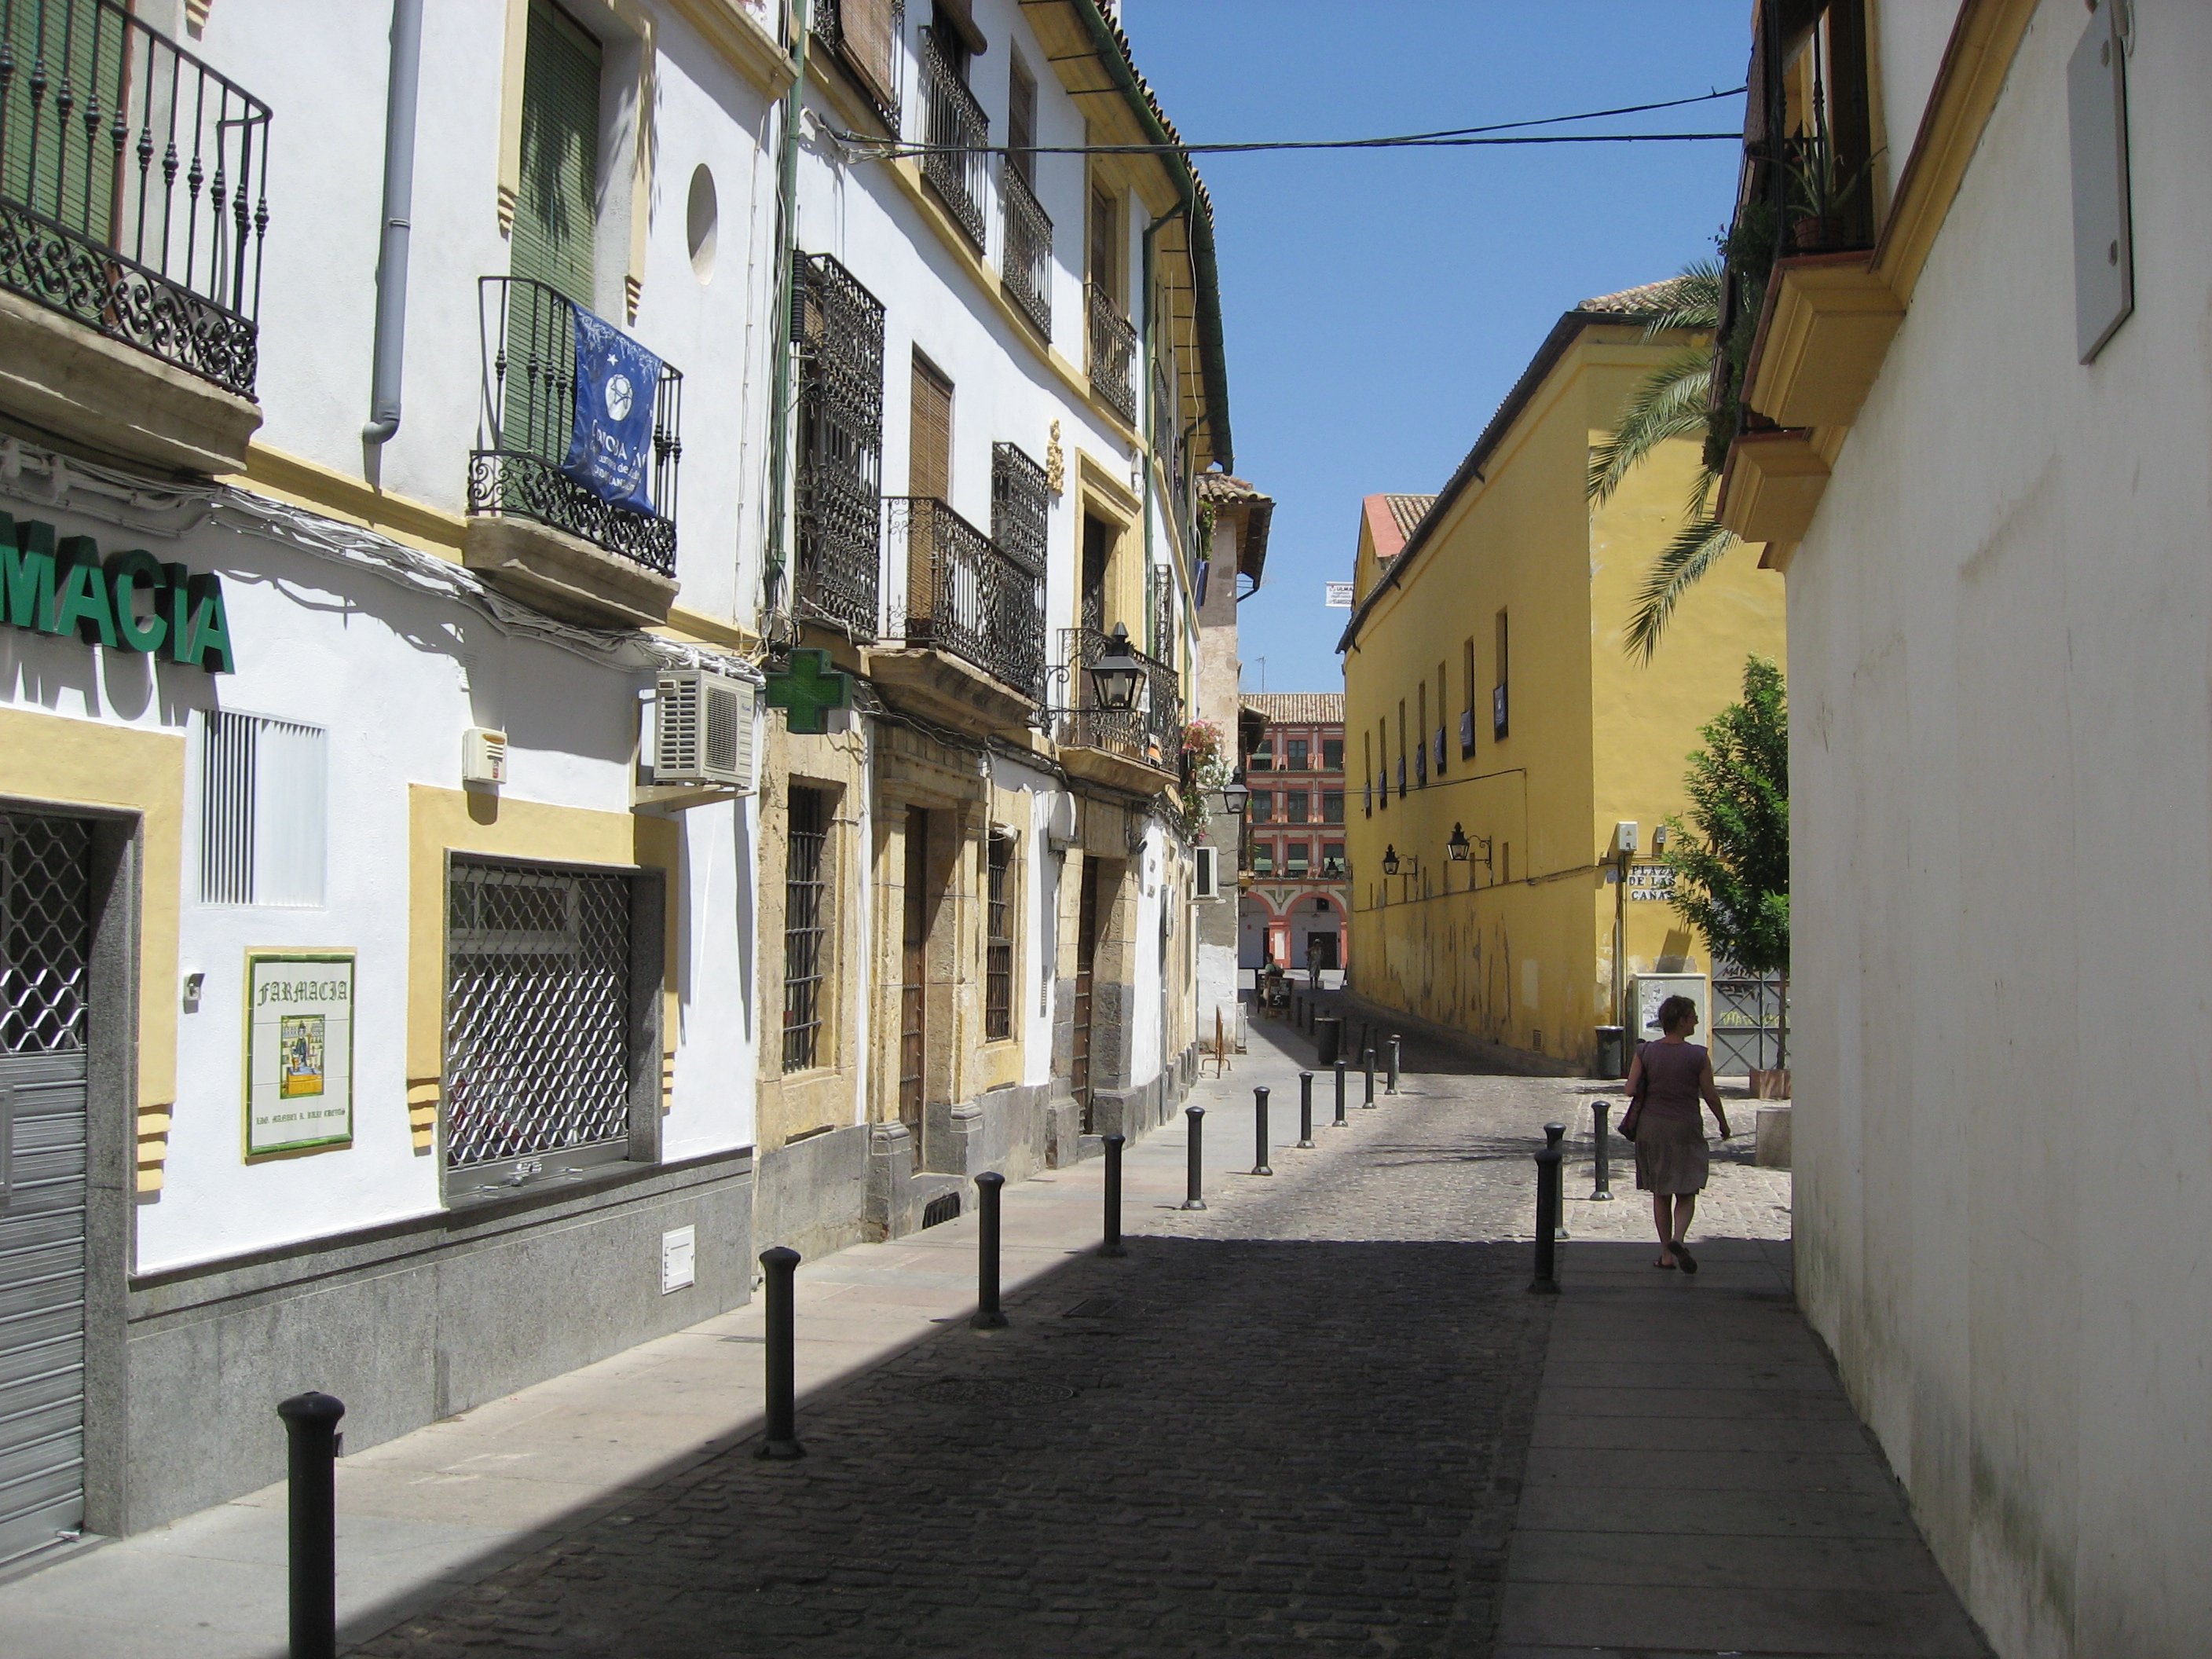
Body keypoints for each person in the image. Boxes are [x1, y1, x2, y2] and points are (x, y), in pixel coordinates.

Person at [1624, 994, 1730, 1273]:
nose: (1696, 1020)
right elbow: (1710, 1094)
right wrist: (1723, 1123)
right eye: (1693, 1016)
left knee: (1661, 1192)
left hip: (1652, 1127)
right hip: (1686, 1127)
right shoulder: (1698, 1055)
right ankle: (1679, 1238)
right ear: (1682, 1021)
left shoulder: (1645, 1052)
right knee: (1687, 1188)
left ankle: (1666, 1256)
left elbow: (1630, 1089)